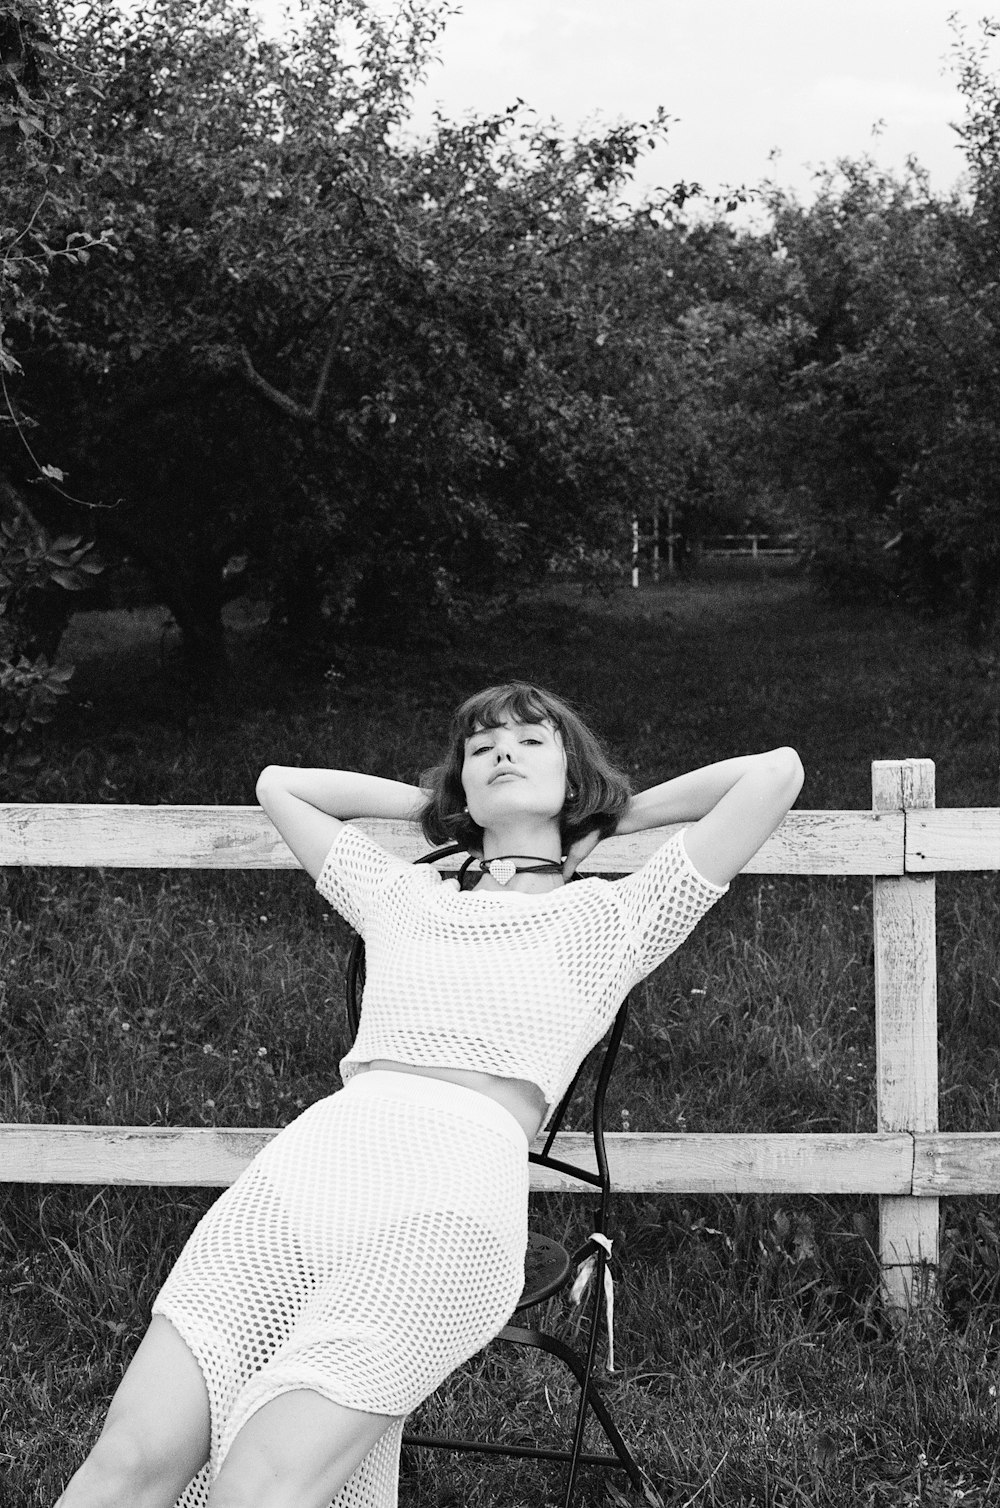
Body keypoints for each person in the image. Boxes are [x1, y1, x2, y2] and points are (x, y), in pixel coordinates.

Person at [56, 681, 804, 1508]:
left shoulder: (618, 918)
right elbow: (281, 784)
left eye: (529, 741)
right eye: (481, 749)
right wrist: (449, 808)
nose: (502, 754)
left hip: (446, 1207)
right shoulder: (400, 896)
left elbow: (776, 773)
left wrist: (605, 816)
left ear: (573, 773)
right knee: (129, 1460)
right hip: (308, 1176)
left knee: (259, 1487)